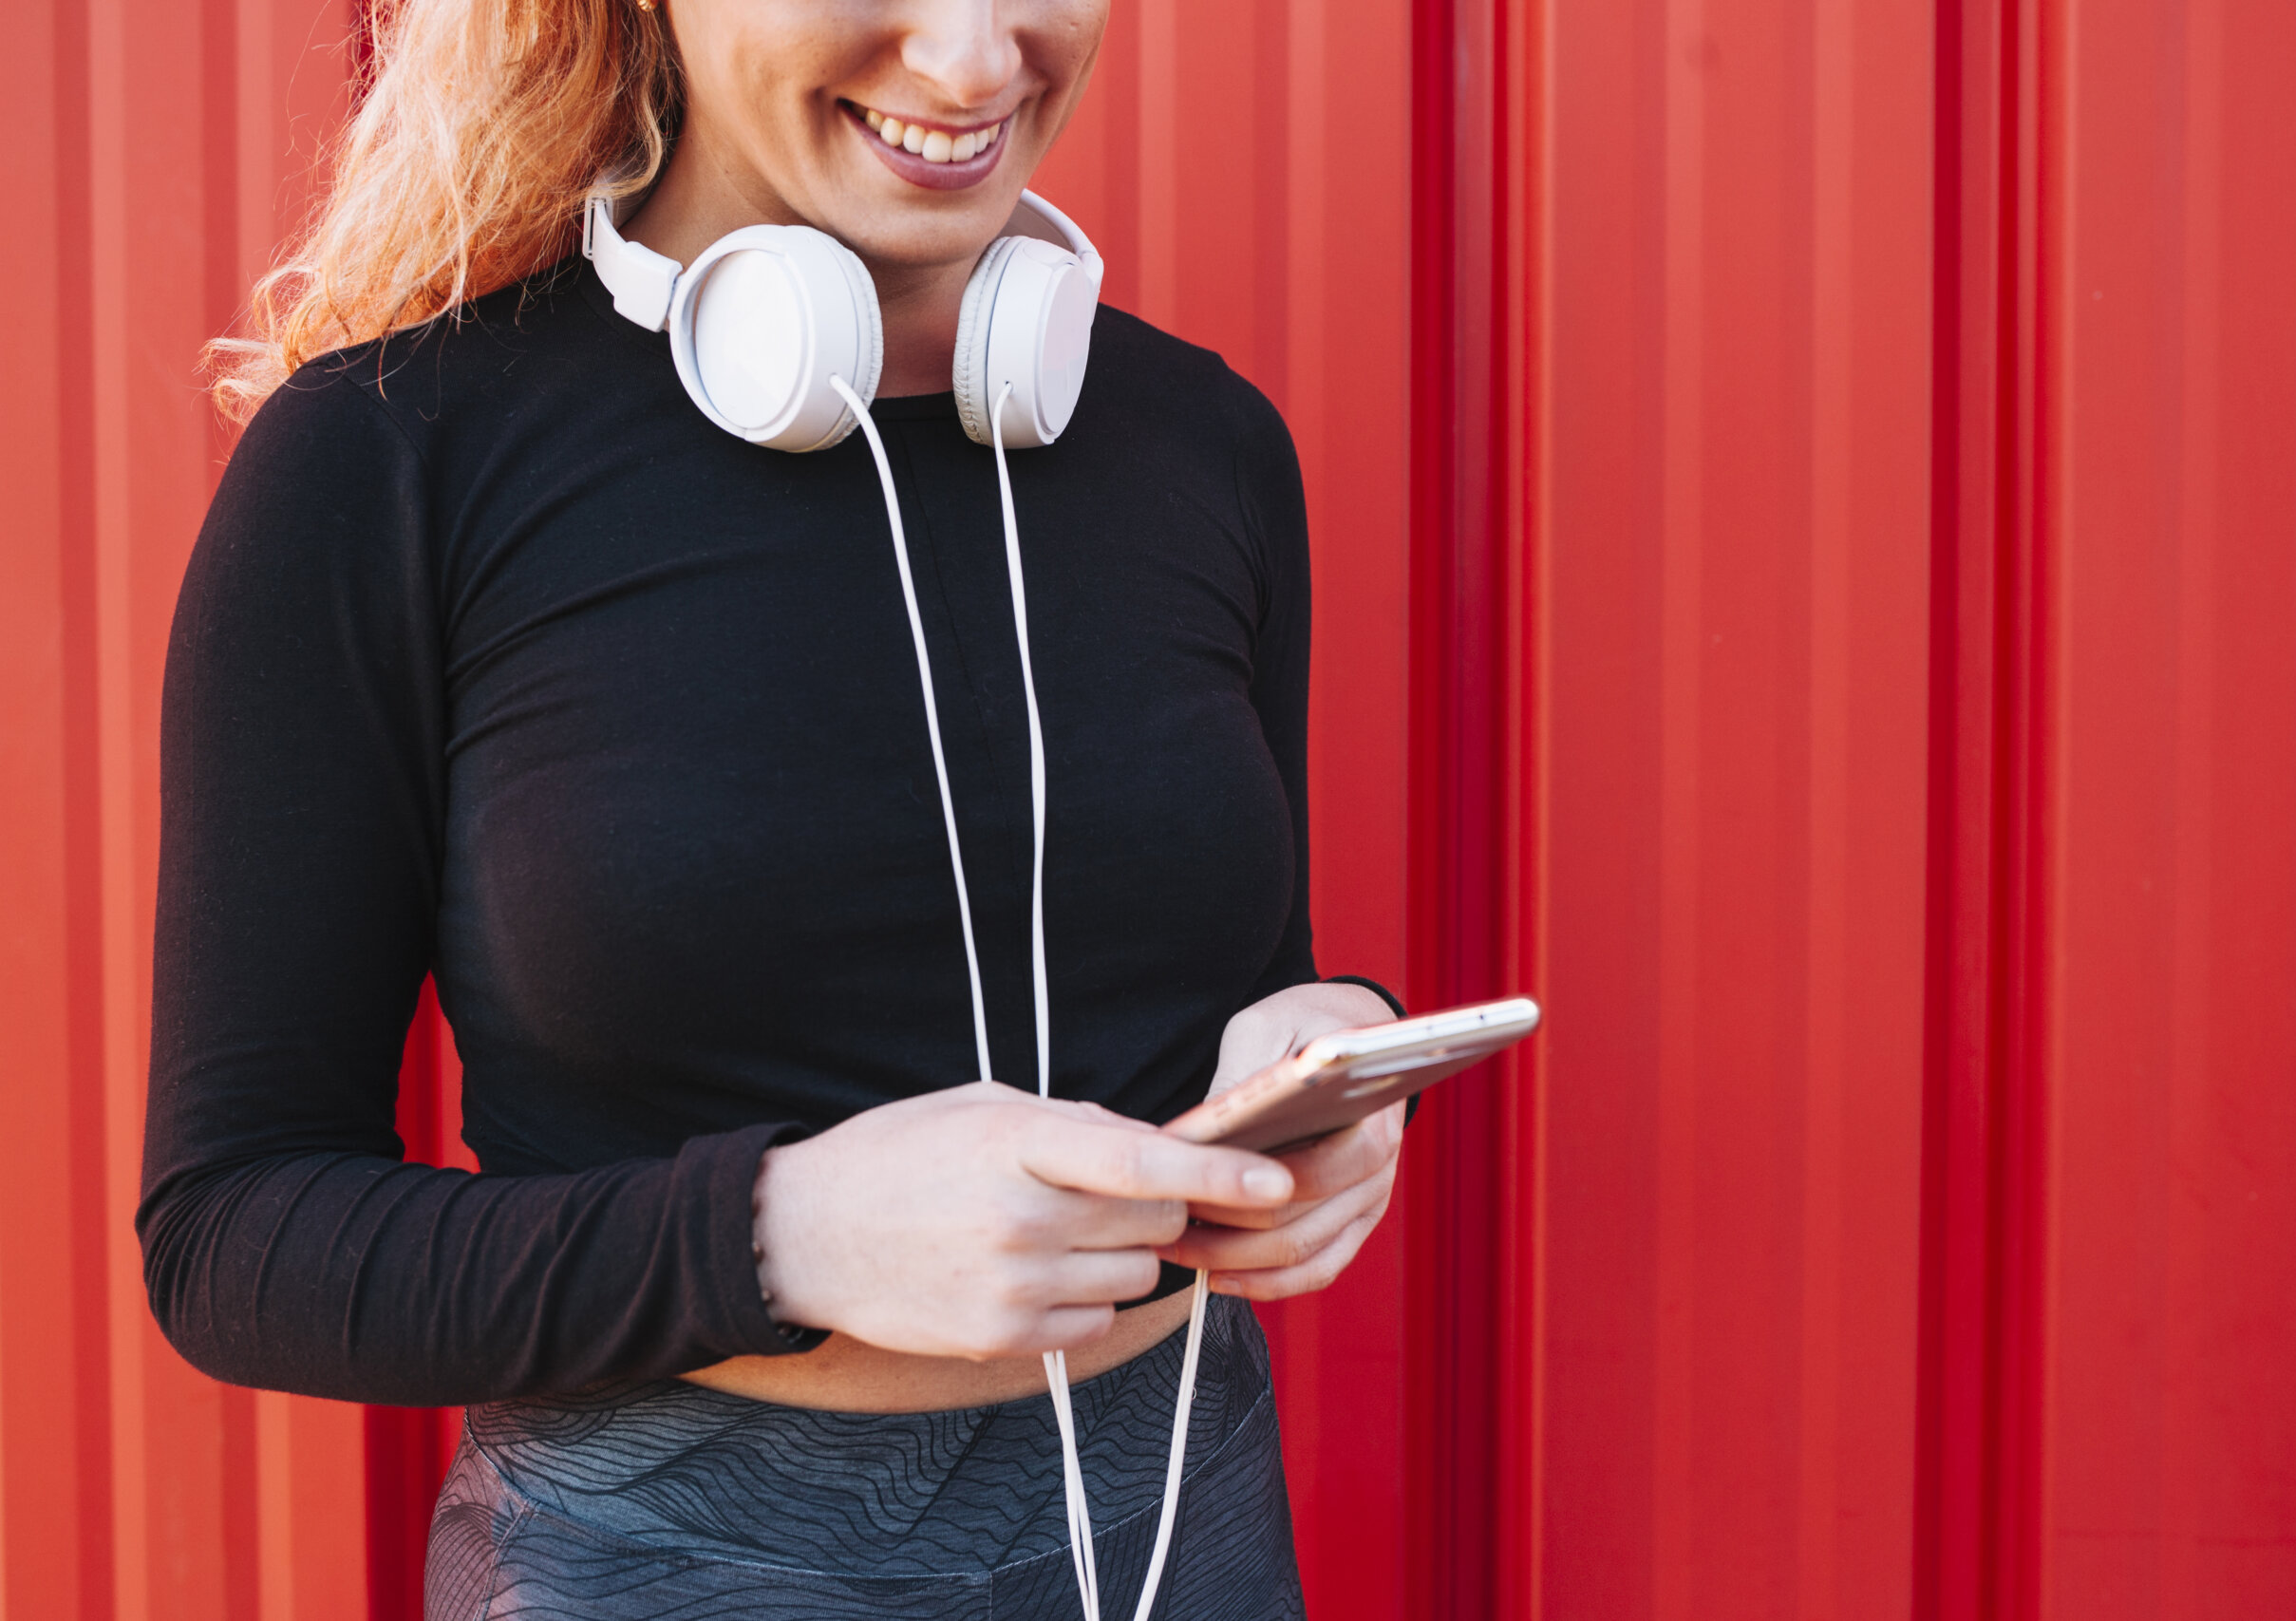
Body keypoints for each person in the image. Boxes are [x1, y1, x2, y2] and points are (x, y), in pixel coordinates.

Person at [138, 0, 1408, 1615]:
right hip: (650, 1560)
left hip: (1185, 1520)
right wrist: (778, 1234)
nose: (972, 61)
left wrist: (1333, 1054)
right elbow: (233, 1237)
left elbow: (1240, 983)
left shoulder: (1208, 445)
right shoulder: (388, 459)